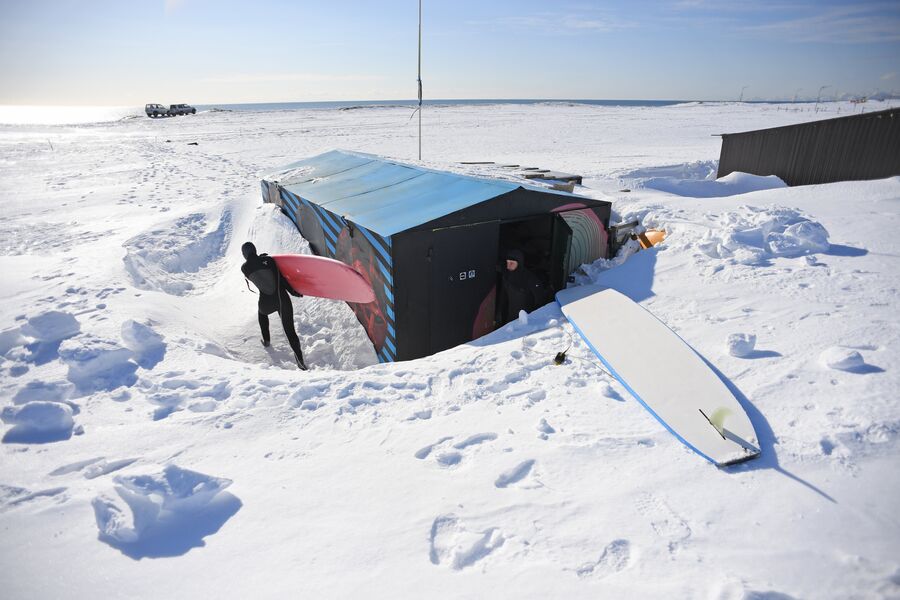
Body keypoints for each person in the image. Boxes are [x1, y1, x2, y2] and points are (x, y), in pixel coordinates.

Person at [240, 242, 307, 370]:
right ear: (255, 249)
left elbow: (255, 267)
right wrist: (294, 292)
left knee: (261, 313)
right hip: (282, 300)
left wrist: (260, 259)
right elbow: (281, 279)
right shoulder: (269, 260)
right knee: (290, 331)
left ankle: (266, 340)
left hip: (266, 302)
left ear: (244, 254)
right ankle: (300, 361)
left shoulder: (244, 268)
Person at [497, 249, 548, 325]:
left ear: (519, 263)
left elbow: (540, 301)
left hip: (526, 322)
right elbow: (503, 299)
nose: (508, 266)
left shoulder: (530, 279)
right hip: (510, 321)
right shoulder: (506, 277)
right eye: (507, 262)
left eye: (512, 263)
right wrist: (500, 318)